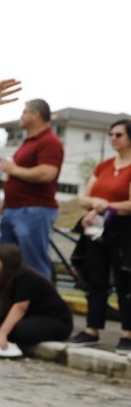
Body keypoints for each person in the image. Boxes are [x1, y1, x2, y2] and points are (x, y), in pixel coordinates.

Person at [67, 119, 131, 352]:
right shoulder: (103, 166)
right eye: (111, 134)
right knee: (96, 280)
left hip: (124, 230)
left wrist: (107, 206)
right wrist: (96, 204)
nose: (113, 138)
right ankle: (92, 329)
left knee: (124, 282)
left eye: (118, 135)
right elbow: (84, 198)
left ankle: (127, 332)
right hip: (97, 229)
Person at [0, 99, 64, 278]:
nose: (21, 116)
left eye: (25, 112)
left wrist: (13, 169)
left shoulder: (50, 141)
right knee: (7, 262)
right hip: (15, 209)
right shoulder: (29, 141)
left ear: (36, 115)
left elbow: (46, 174)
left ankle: (38, 296)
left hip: (33, 211)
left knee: (33, 264)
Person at [0, 244, 73, 358]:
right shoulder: (4, 276)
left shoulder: (24, 276)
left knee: (18, 330)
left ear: (7, 262)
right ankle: (0, 342)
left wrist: (3, 332)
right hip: (30, 316)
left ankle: (3, 341)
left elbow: (20, 307)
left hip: (55, 321)